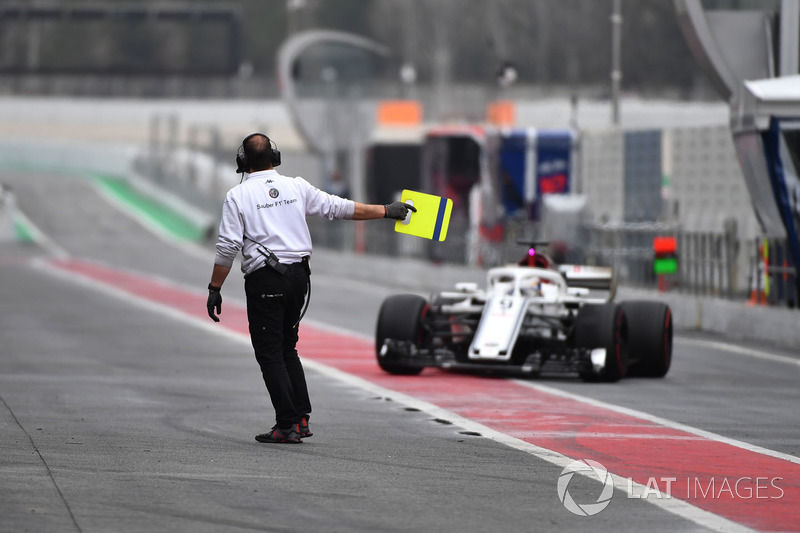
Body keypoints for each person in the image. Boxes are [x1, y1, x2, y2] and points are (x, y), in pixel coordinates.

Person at [206, 133, 416, 444]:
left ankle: (287, 424)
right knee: (287, 348)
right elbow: (340, 208)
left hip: (266, 279)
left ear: (243, 163)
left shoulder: (237, 197)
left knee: (270, 354)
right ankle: (300, 417)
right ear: (275, 158)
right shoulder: (296, 186)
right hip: (299, 279)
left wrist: (214, 287)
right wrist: (387, 210)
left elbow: (227, 247)